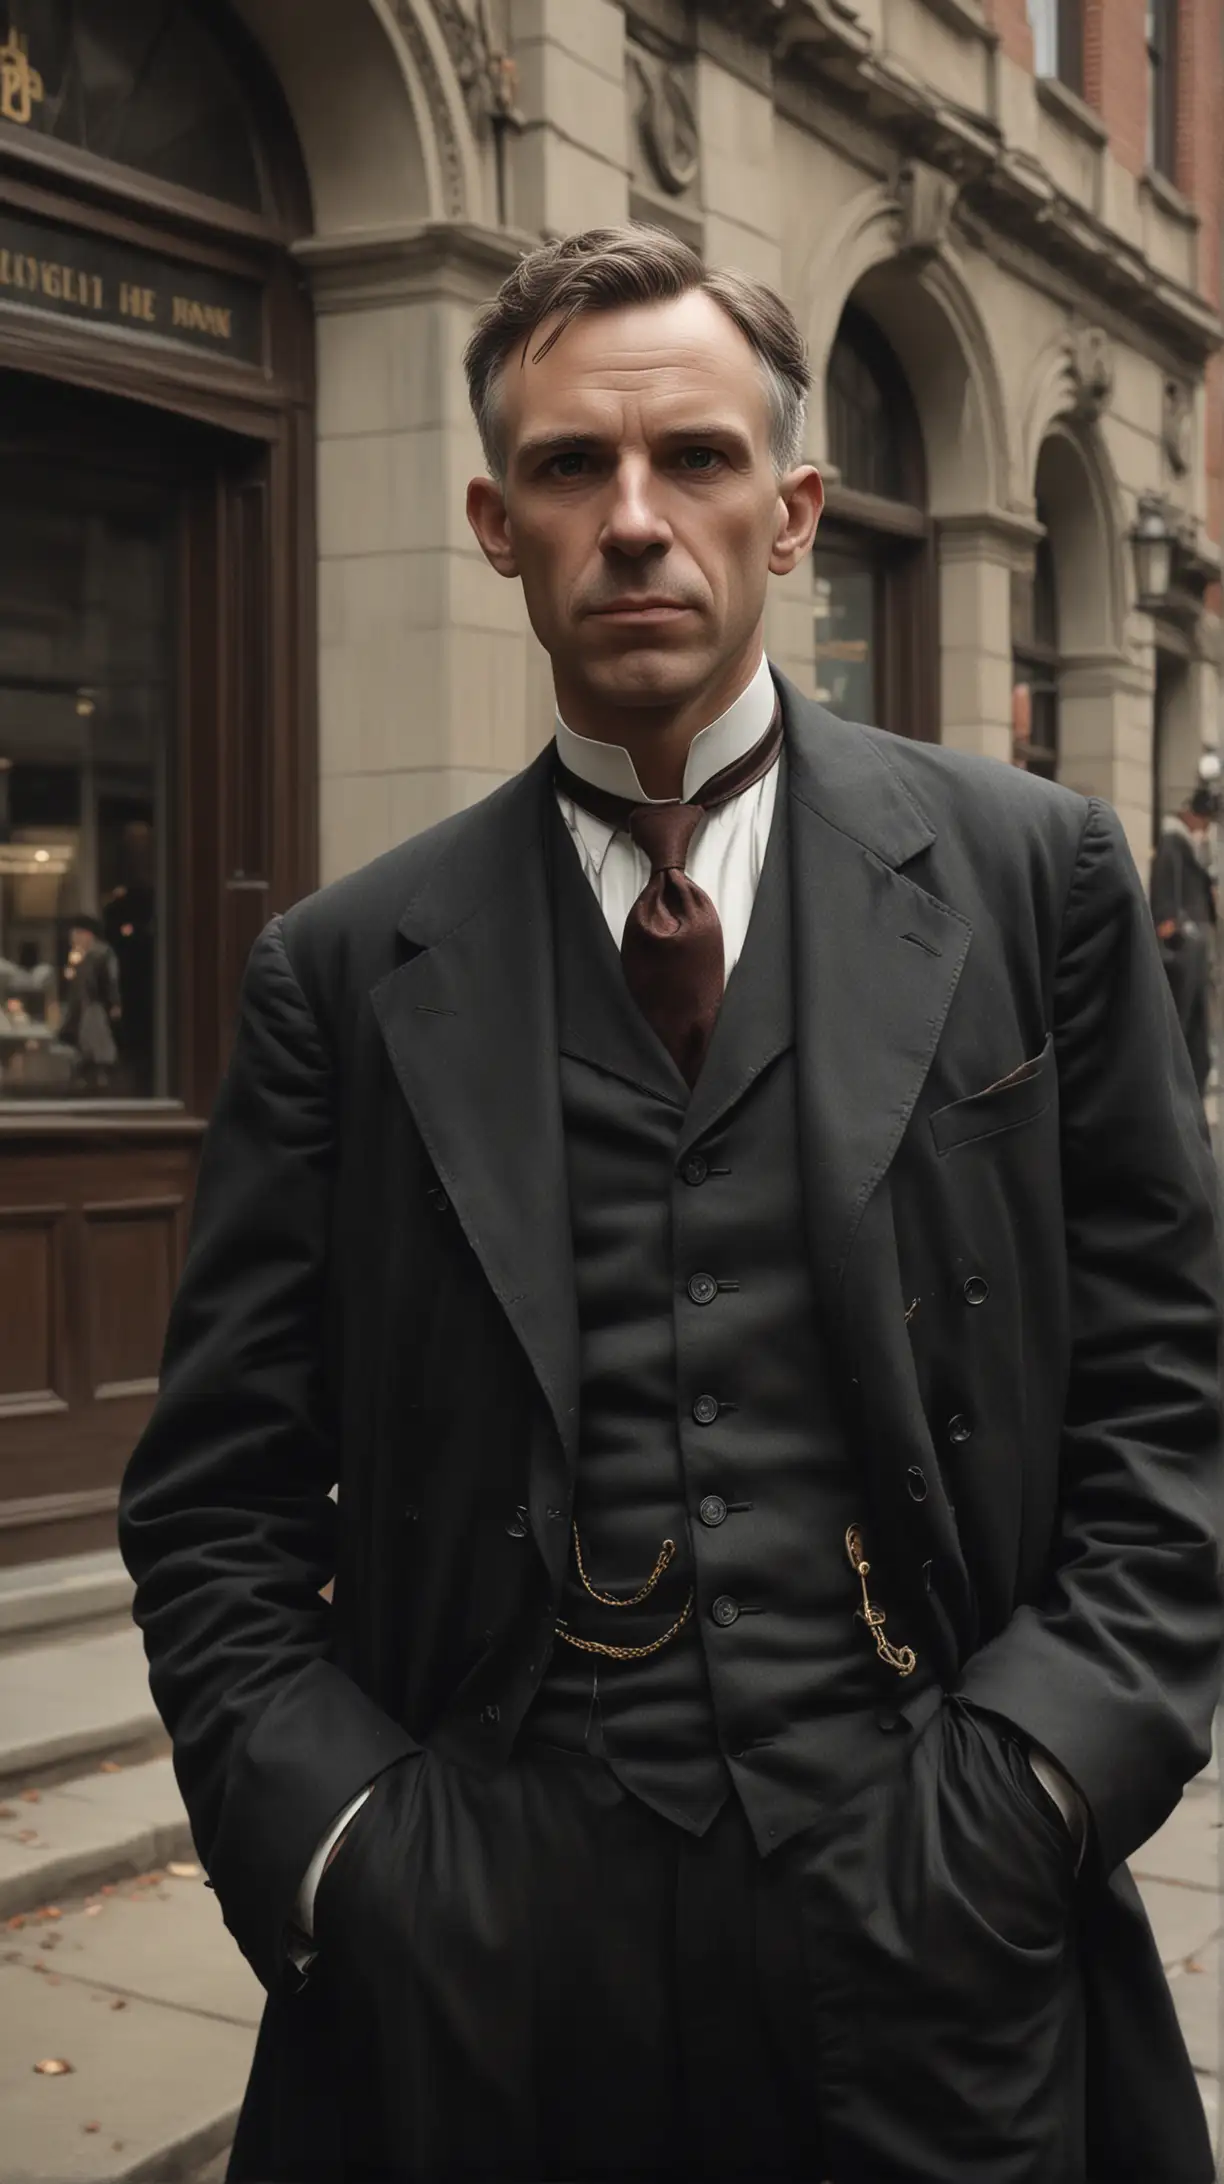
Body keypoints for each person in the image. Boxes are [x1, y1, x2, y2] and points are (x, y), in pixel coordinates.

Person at [119, 227, 1224, 2184]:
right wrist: (354, 1856)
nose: (636, 521)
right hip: (487, 1969)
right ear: (493, 521)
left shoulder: (1033, 880)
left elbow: (1172, 1405)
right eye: (571, 470)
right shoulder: (342, 969)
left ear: (793, 511)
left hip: (936, 1927)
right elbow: (213, 1501)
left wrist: (1034, 1783)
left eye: (696, 460)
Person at [1151, 782, 1220, 1097]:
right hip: (1183, 948)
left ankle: (1190, 1088)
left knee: (1194, 1028)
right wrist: (1173, 926)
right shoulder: (1173, 842)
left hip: (1194, 946)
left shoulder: (1189, 846)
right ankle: (1175, 1092)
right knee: (1182, 1021)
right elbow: (1165, 901)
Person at [61, 913, 121, 1092]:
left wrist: (114, 1002)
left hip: (95, 1003)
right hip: (81, 1003)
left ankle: (99, 1075)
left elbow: (110, 979)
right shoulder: (79, 954)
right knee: (84, 1039)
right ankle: (89, 1076)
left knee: (94, 1039)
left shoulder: (101, 953)